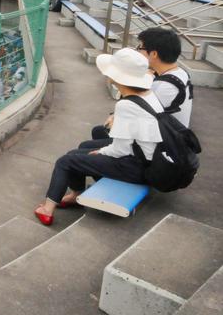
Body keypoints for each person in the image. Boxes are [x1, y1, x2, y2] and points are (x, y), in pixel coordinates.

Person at [34, 48, 162, 226]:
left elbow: (120, 150)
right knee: (82, 147)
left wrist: (100, 152)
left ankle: (47, 209)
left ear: (117, 77)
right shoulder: (148, 94)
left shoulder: (126, 105)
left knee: (66, 161)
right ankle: (76, 194)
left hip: (135, 165)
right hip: (147, 158)